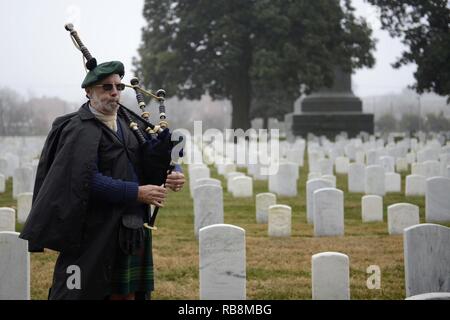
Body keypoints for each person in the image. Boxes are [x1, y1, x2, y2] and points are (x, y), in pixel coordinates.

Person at [19, 60, 185, 300]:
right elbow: (82, 180)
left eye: (118, 87)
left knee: (128, 295)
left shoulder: (131, 124)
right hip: (92, 230)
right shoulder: (77, 128)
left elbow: (153, 157)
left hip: (132, 227)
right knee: (81, 294)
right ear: (89, 91)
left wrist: (173, 172)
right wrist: (136, 193)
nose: (114, 92)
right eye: (106, 87)